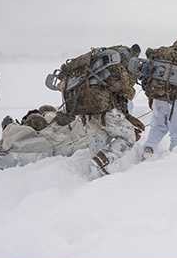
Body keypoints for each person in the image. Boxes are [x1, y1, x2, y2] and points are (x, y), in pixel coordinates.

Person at [55, 45, 144, 176]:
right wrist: (130, 87)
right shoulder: (115, 67)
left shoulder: (96, 65)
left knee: (97, 151)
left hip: (89, 115)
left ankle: (97, 178)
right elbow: (125, 91)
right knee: (128, 137)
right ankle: (105, 159)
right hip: (107, 112)